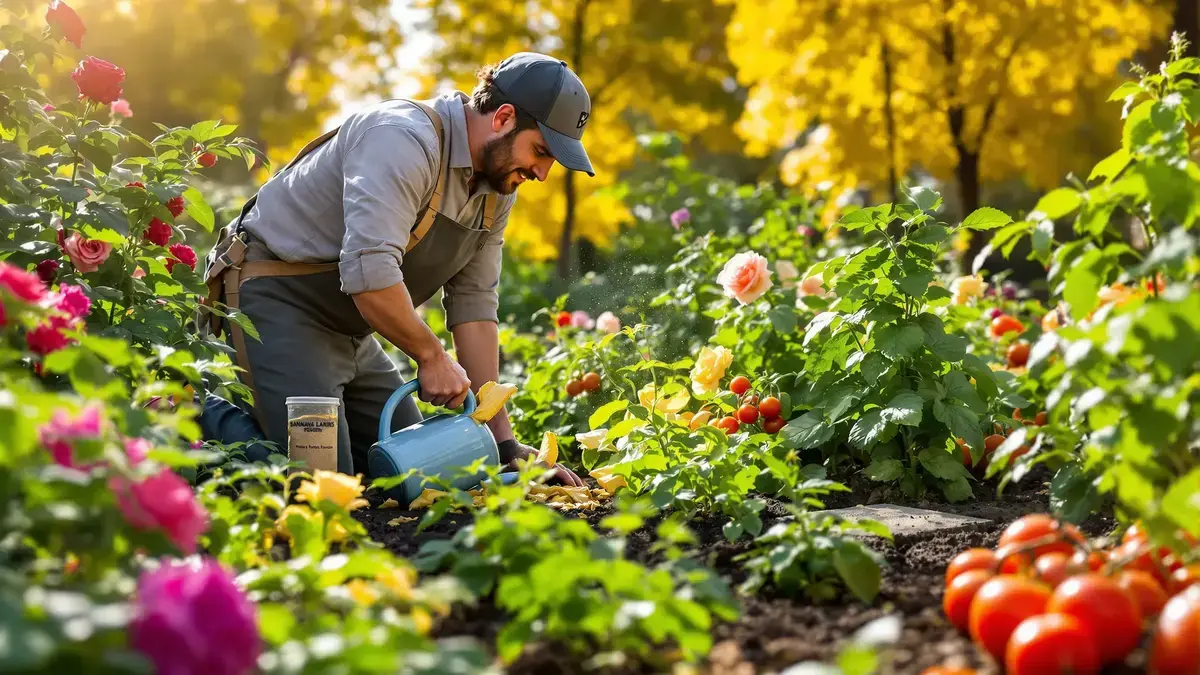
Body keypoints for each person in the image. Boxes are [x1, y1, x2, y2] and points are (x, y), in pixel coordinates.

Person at [198, 52, 590, 486]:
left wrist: (503, 444)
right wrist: (431, 356)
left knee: (420, 472)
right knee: (321, 489)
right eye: (541, 151)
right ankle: (188, 413)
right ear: (503, 118)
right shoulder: (402, 138)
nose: (542, 173)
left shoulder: (497, 189)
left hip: (352, 325)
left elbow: (475, 305)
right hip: (277, 302)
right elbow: (370, 272)